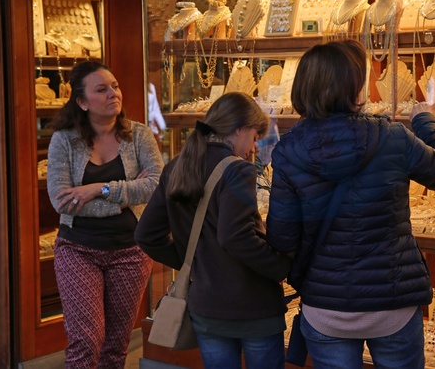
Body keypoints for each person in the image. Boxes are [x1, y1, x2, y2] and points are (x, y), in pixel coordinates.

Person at [266, 39, 435, 369]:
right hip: (392, 302)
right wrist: (425, 120)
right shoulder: (392, 137)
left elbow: (282, 238)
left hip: (325, 305)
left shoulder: (289, 150)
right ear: (353, 87)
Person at [135, 92, 292, 369]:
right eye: (254, 137)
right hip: (252, 304)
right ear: (239, 129)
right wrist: (281, 267)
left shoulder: (176, 167)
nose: (253, 148)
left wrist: (194, 262)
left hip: (206, 305)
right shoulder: (237, 169)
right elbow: (235, 236)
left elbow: (146, 234)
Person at [46, 60, 164, 368]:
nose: (113, 94)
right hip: (78, 249)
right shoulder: (64, 140)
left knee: (116, 345)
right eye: (101, 89)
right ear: (82, 102)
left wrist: (98, 189)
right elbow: (62, 201)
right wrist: (124, 197)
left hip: (131, 251)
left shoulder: (139, 135)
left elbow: (155, 185)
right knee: (85, 341)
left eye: (115, 86)